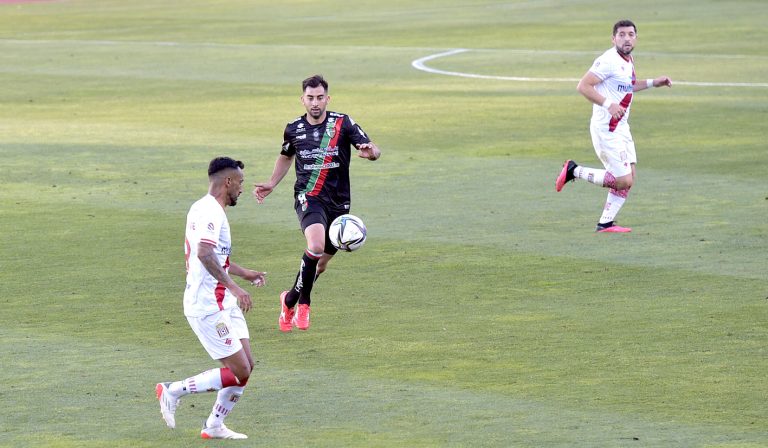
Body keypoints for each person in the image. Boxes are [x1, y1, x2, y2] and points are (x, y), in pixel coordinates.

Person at [253, 75, 380, 332]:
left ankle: (289, 299)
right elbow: (286, 157)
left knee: (319, 264)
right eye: (310, 98)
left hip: (339, 202)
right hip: (309, 197)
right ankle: (304, 304)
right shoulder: (294, 128)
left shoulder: (342, 123)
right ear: (302, 99)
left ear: (327, 99)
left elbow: (372, 148)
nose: (315, 103)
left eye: (320, 97)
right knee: (315, 245)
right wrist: (272, 183)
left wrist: (372, 153)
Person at [156, 156, 266, 440]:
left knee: (247, 367)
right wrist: (234, 288)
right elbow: (204, 254)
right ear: (227, 181)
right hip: (207, 306)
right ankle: (172, 389)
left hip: (221, 302)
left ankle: (214, 426)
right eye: (240, 182)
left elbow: (216, 257)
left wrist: (244, 274)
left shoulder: (206, 208)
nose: (242, 188)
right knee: (239, 371)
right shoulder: (210, 212)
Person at [555, 19, 672, 232]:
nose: (626, 38)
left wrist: (655, 82)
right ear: (613, 38)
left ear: (636, 38)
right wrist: (608, 104)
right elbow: (583, 86)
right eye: (621, 35)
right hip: (606, 128)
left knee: (630, 177)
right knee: (622, 179)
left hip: (621, 127)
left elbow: (627, 86)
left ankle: (605, 223)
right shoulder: (607, 60)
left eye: (630, 34)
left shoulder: (628, 60)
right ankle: (574, 170)